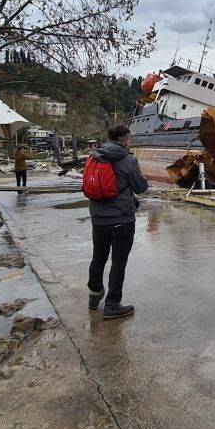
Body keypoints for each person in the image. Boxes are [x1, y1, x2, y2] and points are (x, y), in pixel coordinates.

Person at [86, 125, 148, 320]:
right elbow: (140, 187)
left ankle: (94, 296)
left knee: (98, 257)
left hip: (98, 217)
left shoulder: (94, 156)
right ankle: (113, 304)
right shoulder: (129, 160)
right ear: (126, 139)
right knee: (118, 261)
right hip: (121, 218)